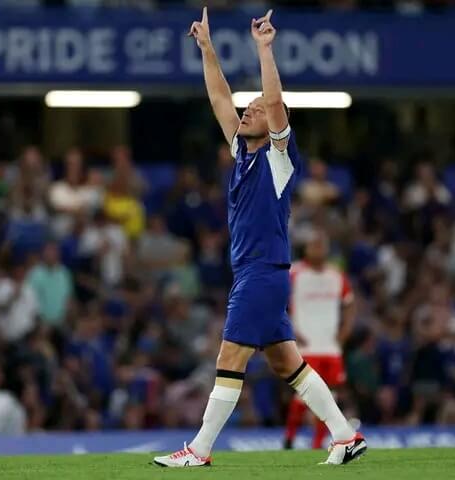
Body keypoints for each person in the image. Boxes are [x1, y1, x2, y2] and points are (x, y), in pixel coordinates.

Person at [153, 8, 365, 468]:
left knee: (230, 355)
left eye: (255, 110)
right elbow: (218, 99)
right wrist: (208, 49)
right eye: (247, 110)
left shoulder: (277, 158)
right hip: (258, 273)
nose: (247, 112)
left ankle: (200, 449)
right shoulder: (242, 154)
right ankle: (345, 436)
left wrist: (264, 49)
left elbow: (272, 103)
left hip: (261, 273)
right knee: (287, 365)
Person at [283, 231, 356, 449]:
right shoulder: (294, 273)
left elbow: (350, 303)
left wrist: (345, 332)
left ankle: (317, 444)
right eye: (313, 245)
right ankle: (289, 438)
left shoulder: (336, 275)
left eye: (321, 245)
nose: (318, 249)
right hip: (305, 347)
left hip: (331, 347)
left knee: (330, 396)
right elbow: (276, 302)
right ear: (305, 249)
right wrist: (290, 330)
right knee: (303, 396)